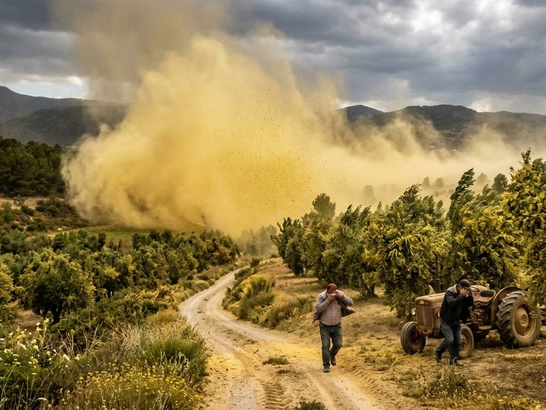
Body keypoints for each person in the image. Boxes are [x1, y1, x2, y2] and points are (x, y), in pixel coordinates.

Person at [315, 283, 354, 373]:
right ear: (327, 290)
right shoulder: (322, 296)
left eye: (335, 290)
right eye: (332, 291)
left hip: (337, 325)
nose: (334, 292)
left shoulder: (339, 294)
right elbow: (318, 309)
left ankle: (331, 355)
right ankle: (326, 365)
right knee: (325, 346)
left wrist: (341, 296)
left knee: (338, 344)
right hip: (324, 325)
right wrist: (328, 301)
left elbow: (351, 303)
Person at [434, 279, 474, 366]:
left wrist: (470, 295)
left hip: (456, 320)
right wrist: (461, 295)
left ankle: (454, 360)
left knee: (458, 341)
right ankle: (438, 352)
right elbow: (451, 303)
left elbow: (470, 304)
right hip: (446, 320)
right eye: (466, 290)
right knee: (449, 339)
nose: (467, 292)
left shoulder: (464, 295)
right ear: (460, 288)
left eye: (468, 290)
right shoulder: (450, 292)